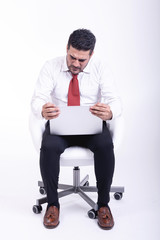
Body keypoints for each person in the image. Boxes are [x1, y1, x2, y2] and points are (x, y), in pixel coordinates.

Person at [31, 29, 122, 230]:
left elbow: (115, 101)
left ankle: (103, 205)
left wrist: (110, 112)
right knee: (48, 145)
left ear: (91, 54)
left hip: (91, 126)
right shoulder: (50, 67)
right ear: (67, 48)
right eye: (72, 57)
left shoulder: (101, 68)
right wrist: (42, 109)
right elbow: (37, 99)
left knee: (106, 144)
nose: (75, 64)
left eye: (82, 60)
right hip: (60, 126)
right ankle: (53, 204)